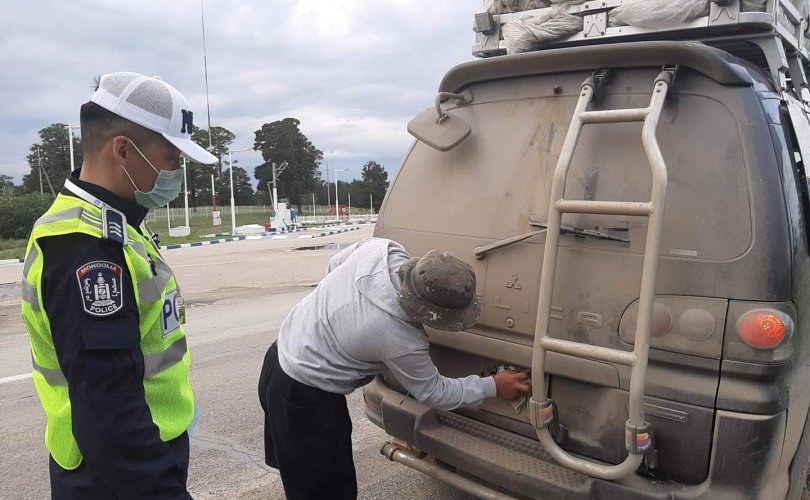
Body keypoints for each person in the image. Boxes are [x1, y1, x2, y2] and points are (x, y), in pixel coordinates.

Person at [20, 72, 218, 499]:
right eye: (172, 159)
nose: (177, 174)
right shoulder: (85, 250)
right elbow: (108, 413)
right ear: (124, 150)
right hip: (113, 478)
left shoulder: (117, 225)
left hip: (135, 460)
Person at [258, 237, 531, 499]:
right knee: (326, 491)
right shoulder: (398, 336)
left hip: (279, 354)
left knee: (301, 474)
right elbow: (435, 393)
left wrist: (337, 318)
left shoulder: (381, 250)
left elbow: (334, 265)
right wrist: (494, 385)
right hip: (305, 397)